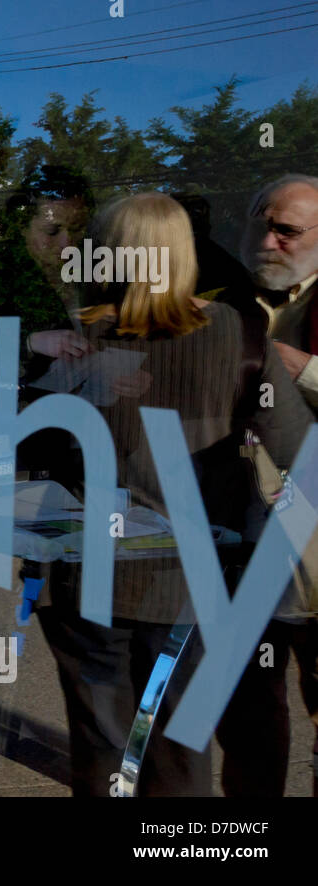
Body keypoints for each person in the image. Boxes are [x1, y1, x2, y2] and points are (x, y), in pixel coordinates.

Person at [34, 192, 310, 795]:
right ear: (184, 255)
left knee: (103, 748)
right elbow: (296, 452)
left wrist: (37, 355)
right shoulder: (238, 336)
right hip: (195, 582)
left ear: (110, 256)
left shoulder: (82, 340)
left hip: (91, 574)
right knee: (177, 756)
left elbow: (30, 448)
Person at [213, 173, 318, 796]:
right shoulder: (222, 300)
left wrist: (301, 370)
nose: (269, 240)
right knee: (249, 719)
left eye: (288, 230)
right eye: (260, 223)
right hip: (241, 547)